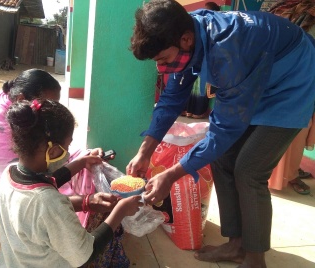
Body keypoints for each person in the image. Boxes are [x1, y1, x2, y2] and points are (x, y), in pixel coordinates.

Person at [127, 1, 315, 267]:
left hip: (291, 83)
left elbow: (224, 129)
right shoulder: (187, 31)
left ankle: (255, 258)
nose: (161, 68)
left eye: (163, 59)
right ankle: (237, 245)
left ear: (185, 40)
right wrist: (144, 151)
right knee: (222, 157)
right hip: (258, 75)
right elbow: (171, 100)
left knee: (250, 170)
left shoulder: (228, 52)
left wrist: (171, 175)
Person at [0, 69, 131, 267]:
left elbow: (48, 183)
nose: (68, 153)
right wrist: (120, 211)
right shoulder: (49, 203)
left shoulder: (11, 172)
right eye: (67, 147)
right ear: (52, 151)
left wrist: (82, 168)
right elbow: (84, 254)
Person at [266, 0, 315, 195]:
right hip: (299, 79)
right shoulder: (288, 11)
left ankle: (287, 172)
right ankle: (289, 174)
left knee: (295, 129)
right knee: (297, 130)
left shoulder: (283, 8)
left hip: (283, 78)